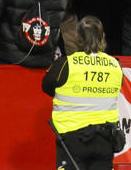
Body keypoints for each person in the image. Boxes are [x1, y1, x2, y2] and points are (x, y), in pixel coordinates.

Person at [43, 16, 124, 170]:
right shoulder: (115, 65)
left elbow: (46, 86)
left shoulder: (67, 64)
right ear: (102, 36)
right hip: (105, 140)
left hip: (72, 139)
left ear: (77, 37)